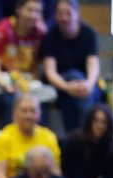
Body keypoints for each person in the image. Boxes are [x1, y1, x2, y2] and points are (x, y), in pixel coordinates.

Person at [0, 0, 54, 127]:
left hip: (23, 85)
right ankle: (10, 139)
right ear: (18, 10)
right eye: (30, 10)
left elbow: (36, 69)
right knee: (16, 100)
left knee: (45, 97)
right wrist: (6, 85)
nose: (34, 15)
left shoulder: (39, 34)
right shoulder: (1, 29)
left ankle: (36, 139)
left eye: (38, 12)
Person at [39, 0, 98, 133]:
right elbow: (50, 72)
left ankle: (75, 140)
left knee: (73, 99)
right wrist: (67, 87)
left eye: (68, 13)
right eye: (59, 14)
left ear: (77, 14)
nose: (63, 18)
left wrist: (88, 84)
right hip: (59, 85)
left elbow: (93, 64)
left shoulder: (89, 34)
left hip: (84, 87)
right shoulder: (50, 36)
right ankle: (87, 136)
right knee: (73, 76)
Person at [0, 94, 60, 178]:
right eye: (24, 111)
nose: (29, 116)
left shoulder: (49, 137)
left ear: (39, 114)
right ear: (14, 114)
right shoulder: (4, 138)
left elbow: (56, 173)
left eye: (33, 111)